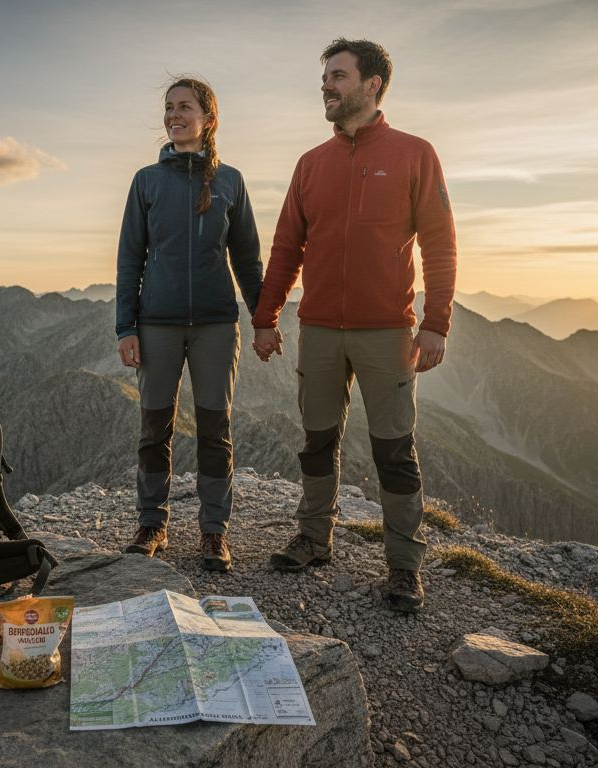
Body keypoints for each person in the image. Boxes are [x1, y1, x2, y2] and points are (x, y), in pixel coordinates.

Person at [251, 39, 456, 612]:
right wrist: (266, 318)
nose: (326, 85)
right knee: (317, 441)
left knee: (394, 449)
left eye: (337, 76)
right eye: (325, 77)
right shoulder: (310, 163)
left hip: (388, 331)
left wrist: (436, 323)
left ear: (373, 85)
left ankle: (403, 566)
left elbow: (439, 242)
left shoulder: (416, 154)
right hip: (317, 328)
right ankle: (315, 539)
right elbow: (287, 245)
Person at [114, 76, 263, 572]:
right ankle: (152, 524)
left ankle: (213, 533)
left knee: (214, 429)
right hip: (156, 322)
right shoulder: (146, 181)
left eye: (185, 107)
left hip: (217, 325)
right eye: (169, 108)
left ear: (208, 118)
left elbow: (247, 260)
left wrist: (263, 320)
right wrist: (125, 328)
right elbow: (129, 258)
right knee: (154, 425)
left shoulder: (231, 181)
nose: (174, 115)